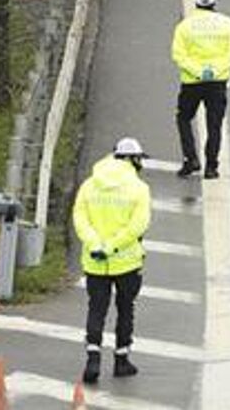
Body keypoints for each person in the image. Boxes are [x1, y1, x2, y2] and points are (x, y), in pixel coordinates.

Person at [72, 137, 153, 384]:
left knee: (97, 308)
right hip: (127, 262)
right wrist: (113, 246)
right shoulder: (139, 189)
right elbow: (137, 226)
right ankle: (121, 359)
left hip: (95, 262)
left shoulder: (90, 184)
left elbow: (80, 217)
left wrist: (96, 245)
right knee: (125, 309)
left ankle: (93, 358)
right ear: (133, 160)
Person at [171, 0, 230, 179]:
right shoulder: (227, 24)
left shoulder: (185, 26)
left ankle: (190, 159)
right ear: (214, 3)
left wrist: (199, 72)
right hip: (217, 82)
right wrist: (214, 72)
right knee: (214, 124)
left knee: (183, 118)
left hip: (191, 82)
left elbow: (178, 55)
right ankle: (211, 167)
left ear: (196, 4)